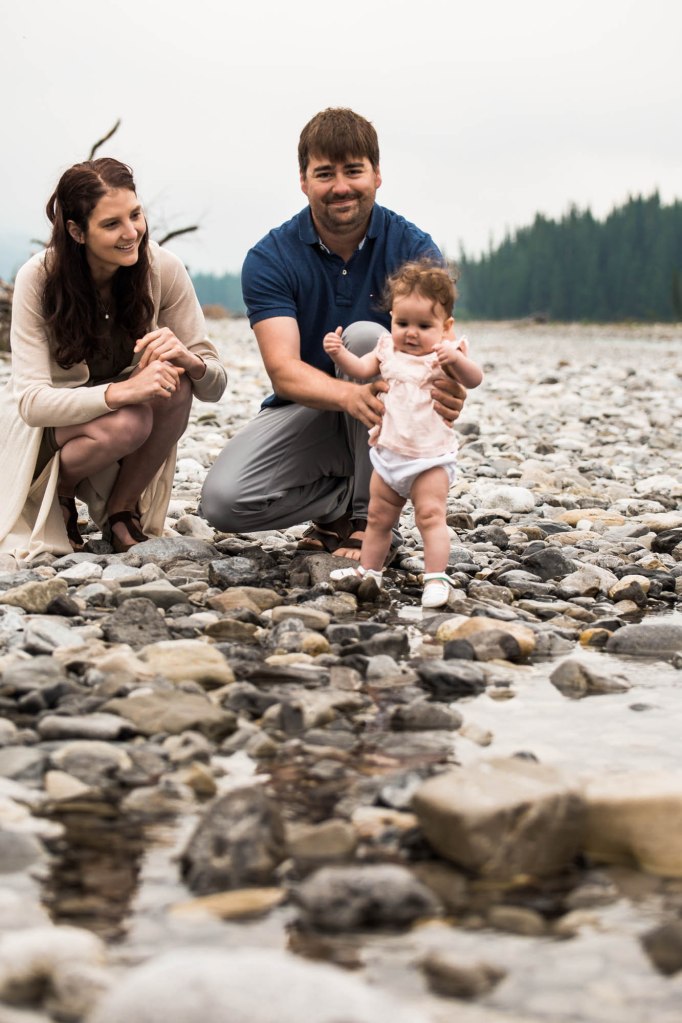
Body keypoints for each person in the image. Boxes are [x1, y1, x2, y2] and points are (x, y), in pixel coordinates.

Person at [200, 107, 466, 560]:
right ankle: (340, 506)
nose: (341, 186)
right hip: (309, 410)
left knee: (365, 338)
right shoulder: (271, 257)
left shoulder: (413, 250)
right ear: (303, 180)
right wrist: (346, 397)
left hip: (391, 416)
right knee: (223, 502)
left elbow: (437, 349)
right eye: (325, 173)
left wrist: (451, 389)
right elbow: (284, 372)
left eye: (353, 171)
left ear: (377, 175)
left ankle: (369, 518)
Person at [0, 157, 227, 564]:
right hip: (49, 434)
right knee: (130, 419)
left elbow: (215, 386)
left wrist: (190, 361)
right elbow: (32, 404)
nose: (131, 233)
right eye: (111, 224)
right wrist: (122, 392)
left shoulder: (163, 269)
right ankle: (59, 493)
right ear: (76, 231)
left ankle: (121, 511)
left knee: (175, 380)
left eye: (135, 215)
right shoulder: (39, 278)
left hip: (120, 426)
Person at [326, 259, 482, 608]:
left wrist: (454, 360)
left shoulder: (444, 356)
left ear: (446, 327)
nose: (411, 333)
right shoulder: (387, 349)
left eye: (424, 325)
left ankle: (436, 577)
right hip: (389, 454)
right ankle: (370, 571)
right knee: (379, 518)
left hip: (429, 459)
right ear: (392, 319)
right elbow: (361, 370)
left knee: (430, 516)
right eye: (402, 322)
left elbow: (474, 379)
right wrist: (341, 354)